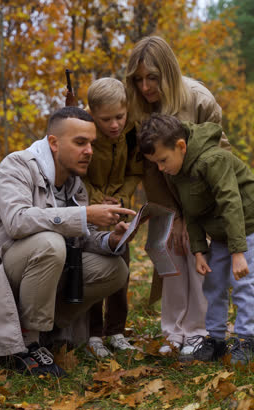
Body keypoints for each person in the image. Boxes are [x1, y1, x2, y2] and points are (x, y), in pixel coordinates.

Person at [0, 106, 136, 377]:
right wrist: (83, 213)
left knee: (115, 270)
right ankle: (26, 346)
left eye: (92, 143)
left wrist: (112, 240)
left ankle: (47, 334)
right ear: (54, 143)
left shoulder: (73, 183)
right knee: (50, 244)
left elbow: (81, 235)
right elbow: (17, 221)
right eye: (80, 142)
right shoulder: (17, 165)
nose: (89, 151)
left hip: (38, 271)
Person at [126, 35, 230, 358]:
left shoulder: (198, 100)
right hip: (166, 199)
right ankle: (173, 331)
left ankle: (200, 330)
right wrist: (173, 216)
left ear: (168, 72)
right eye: (138, 79)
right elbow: (149, 170)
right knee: (170, 248)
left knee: (197, 254)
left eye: (152, 78)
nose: (145, 87)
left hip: (203, 197)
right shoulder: (137, 107)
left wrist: (193, 216)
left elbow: (218, 157)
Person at [138, 113, 254, 365]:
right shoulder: (177, 169)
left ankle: (247, 339)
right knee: (213, 283)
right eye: (155, 163)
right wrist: (199, 251)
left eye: (162, 160)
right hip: (223, 234)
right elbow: (191, 210)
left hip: (246, 228)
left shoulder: (214, 160)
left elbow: (231, 204)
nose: (160, 168)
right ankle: (216, 339)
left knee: (244, 284)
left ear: (180, 146)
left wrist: (238, 252)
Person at [83, 77, 142, 357]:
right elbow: (76, 175)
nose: (114, 124)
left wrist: (120, 199)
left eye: (120, 116)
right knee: (95, 270)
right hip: (90, 213)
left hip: (119, 211)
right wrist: (97, 201)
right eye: (106, 119)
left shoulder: (132, 133)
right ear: (92, 114)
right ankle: (93, 334)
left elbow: (134, 172)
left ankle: (115, 331)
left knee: (122, 270)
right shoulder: (86, 136)